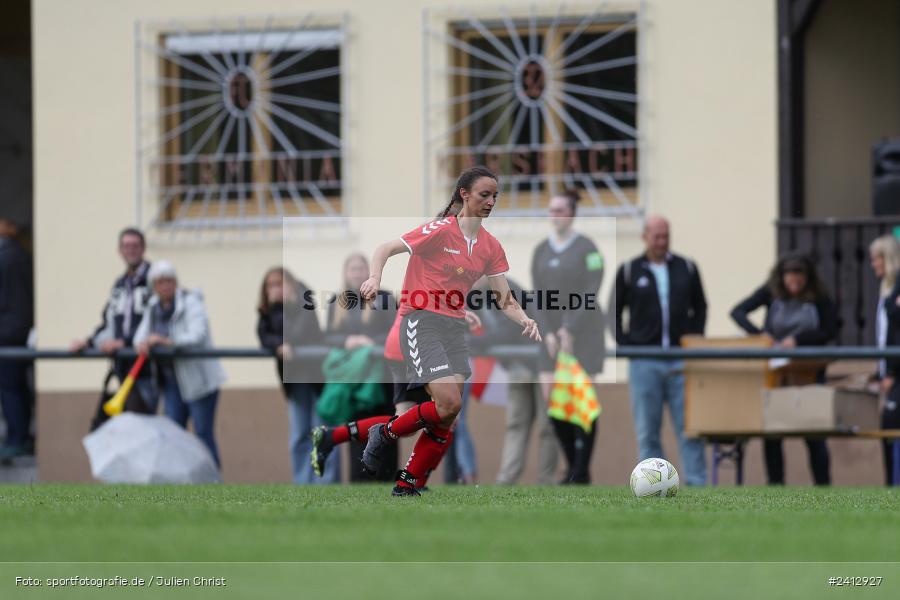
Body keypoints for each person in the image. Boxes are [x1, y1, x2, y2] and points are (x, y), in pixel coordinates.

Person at [358, 165, 541, 496]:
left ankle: (406, 484)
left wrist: (525, 319)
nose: (490, 201)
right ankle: (383, 434)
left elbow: (504, 298)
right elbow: (385, 248)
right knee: (448, 401)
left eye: (495, 196)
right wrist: (374, 278)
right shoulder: (440, 230)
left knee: (447, 414)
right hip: (422, 321)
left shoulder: (490, 246)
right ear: (465, 194)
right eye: (484, 195)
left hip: (454, 328)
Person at [614, 215, 708, 486]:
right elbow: (614, 312)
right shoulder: (630, 270)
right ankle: (652, 485)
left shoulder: (687, 268)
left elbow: (700, 306)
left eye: (666, 236)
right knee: (647, 432)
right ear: (645, 237)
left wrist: (694, 339)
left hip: (681, 360)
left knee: (690, 428)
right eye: (656, 237)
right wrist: (628, 344)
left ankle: (697, 484)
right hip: (645, 361)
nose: (662, 242)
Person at [730, 253, 837, 485]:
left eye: (800, 283)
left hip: (808, 372)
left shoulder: (820, 296)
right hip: (776, 374)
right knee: (773, 431)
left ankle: (823, 486)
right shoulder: (770, 292)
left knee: (814, 432)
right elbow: (737, 311)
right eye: (791, 283)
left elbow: (830, 329)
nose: (795, 287)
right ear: (782, 279)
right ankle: (776, 484)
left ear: (808, 280)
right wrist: (760, 335)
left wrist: (798, 340)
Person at [532, 190, 605, 484]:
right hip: (550, 338)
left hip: (583, 335)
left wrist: (570, 328)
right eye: (551, 210)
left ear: (572, 213)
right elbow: (536, 296)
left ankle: (582, 470)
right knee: (554, 403)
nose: (555, 215)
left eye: (560, 210)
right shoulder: (541, 250)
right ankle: (573, 466)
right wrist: (548, 332)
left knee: (581, 402)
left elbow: (592, 290)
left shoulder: (588, 249)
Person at [134, 261, 226, 466]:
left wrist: (166, 342)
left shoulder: (191, 301)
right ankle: (180, 485)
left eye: (169, 280)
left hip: (199, 382)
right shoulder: (152, 307)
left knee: (202, 433)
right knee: (174, 435)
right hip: (171, 383)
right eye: (160, 282)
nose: (165, 285)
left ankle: (213, 484)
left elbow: (197, 335)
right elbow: (140, 337)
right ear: (154, 286)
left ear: (176, 282)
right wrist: (143, 344)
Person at [472, 275, 559, 486]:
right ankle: (507, 478)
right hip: (516, 365)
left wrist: (476, 342)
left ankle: (546, 479)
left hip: (539, 364)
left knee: (547, 425)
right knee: (516, 423)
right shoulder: (476, 295)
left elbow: (509, 330)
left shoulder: (504, 287)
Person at [257, 267, 339, 484]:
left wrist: (286, 337)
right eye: (271, 285)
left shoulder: (305, 300)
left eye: (280, 283)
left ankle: (326, 482)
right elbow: (264, 336)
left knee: (322, 431)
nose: (276, 289)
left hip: (318, 378)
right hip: (293, 380)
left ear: (292, 284)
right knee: (299, 433)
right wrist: (279, 344)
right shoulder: (269, 310)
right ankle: (303, 482)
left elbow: (300, 332)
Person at [323, 253, 397, 482]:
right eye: (352, 268)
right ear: (346, 273)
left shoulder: (385, 298)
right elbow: (327, 337)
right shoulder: (337, 302)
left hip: (381, 379)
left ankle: (386, 478)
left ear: (369, 272)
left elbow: (396, 332)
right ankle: (359, 480)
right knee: (355, 430)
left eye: (361, 268)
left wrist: (370, 342)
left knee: (386, 428)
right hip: (353, 381)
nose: (357, 273)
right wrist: (347, 341)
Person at [70, 228, 154, 416]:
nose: (130, 250)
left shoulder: (155, 279)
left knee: (141, 425)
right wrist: (88, 342)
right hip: (122, 368)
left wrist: (125, 342)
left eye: (135, 245)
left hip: (146, 369)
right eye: (126, 246)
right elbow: (108, 324)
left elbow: (156, 321)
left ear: (143, 248)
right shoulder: (120, 284)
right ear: (120, 250)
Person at [0, 219, 34, 461]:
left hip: (8, 333)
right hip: (17, 331)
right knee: (17, 388)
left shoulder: (7, 257)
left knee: (10, 389)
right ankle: (20, 437)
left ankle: (16, 439)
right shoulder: (17, 254)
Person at [869, 235, 900, 485]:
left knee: (891, 426)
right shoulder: (885, 290)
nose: (873, 264)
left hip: (896, 372)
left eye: (876, 258)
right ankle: (890, 485)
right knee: (887, 430)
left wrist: (891, 371)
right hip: (887, 370)